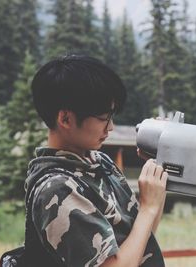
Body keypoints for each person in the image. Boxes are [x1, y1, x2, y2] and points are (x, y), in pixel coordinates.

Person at [26, 55, 167, 267]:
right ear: (65, 119)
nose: (110, 127)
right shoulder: (56, 189)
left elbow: (142, 242)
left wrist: (159, 167)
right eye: (104, 118)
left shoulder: (100, 163)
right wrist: (147, 208)